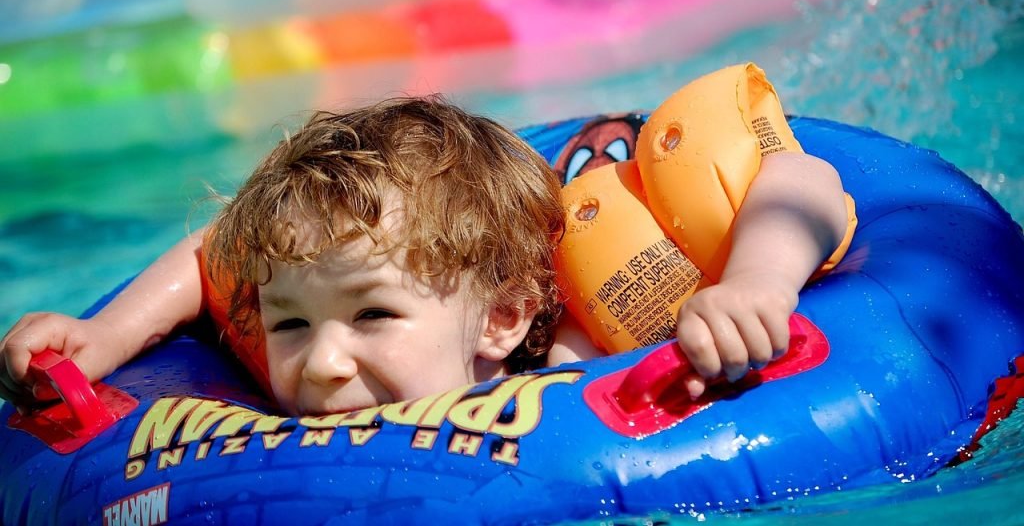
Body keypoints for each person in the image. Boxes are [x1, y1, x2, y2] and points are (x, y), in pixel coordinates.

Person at [0, 93, 850, 416]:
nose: (322, 362)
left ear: (504, 313)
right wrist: (104, 338)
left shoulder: (581, 348)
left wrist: (752, 286)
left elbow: (799, 179)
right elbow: (211, 253)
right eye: (290, 321)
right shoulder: (303, 301)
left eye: (373, 313)